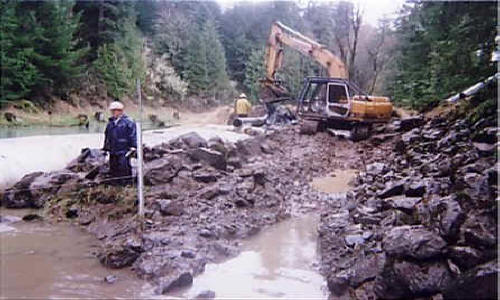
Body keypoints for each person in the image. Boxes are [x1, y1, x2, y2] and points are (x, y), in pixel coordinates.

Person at [102, 101, 137, 185]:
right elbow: (107, 136)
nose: (113, 113)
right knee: (114, 168)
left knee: (124, 167)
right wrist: (106, 148)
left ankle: (127, 185)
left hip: (124, 149)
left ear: (121, 111)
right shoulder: (110, 123)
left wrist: (133, 146)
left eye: (115, 110)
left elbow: (133, 134)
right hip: (113, 150)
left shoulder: (128, 122)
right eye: (112, 111)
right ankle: (115, 185)